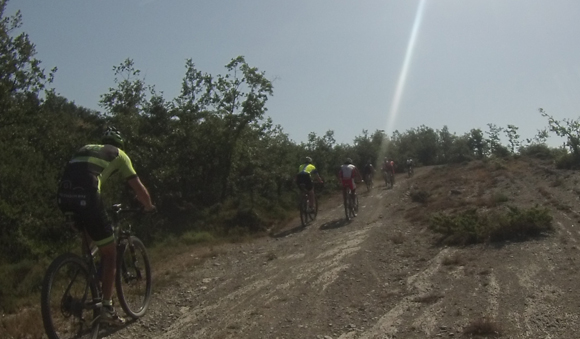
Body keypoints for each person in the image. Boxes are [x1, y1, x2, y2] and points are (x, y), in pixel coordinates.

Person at [56, 127, 155, 326]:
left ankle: (90, 279)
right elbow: (138, 188)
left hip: (64, 197)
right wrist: (149, 206)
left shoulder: (86, 148)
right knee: (110, 254)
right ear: (120, 145)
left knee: (91, 242)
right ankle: (107, 310)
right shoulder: (120, 154)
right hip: (88, 197)